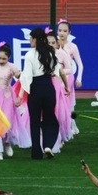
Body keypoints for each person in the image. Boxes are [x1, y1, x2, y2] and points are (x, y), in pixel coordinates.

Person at [20, 28, 59, 159]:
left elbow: (27, 77)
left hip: (35, 88)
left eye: (31, 38)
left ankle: (36, 152)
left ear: (35, 39)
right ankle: (48, 144)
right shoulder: (50, 52)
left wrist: (21, 95)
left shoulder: (29, 55)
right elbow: (57, 71)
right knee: (49, 118)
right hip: (48, 87)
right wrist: (66, 86)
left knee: (35, 121)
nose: (30, 41)